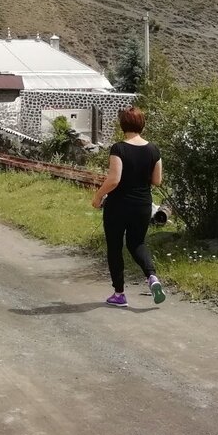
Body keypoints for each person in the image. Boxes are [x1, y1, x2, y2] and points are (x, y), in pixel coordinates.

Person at [91, 107, 165, 307]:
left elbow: (114, 180)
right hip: (142, 205)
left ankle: (119, 294)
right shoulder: (154, 150)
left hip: (118, 205)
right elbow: (157, 180)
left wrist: (98, 196)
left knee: (115, 247)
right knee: (137, 244)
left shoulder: (119, 149)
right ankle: (152, 277)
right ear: (143, 124)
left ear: (123, 125)